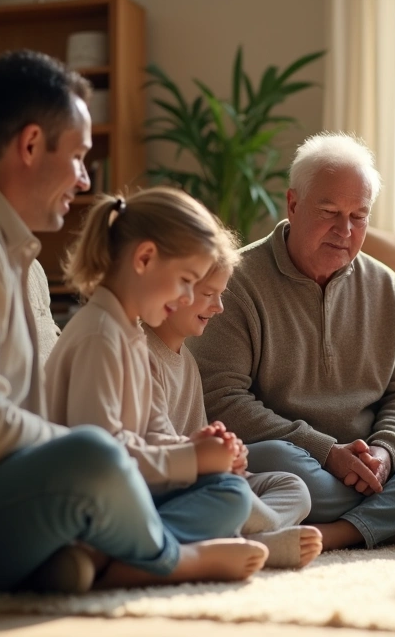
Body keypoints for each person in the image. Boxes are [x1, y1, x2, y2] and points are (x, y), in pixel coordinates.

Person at [0, 50, 261, 598]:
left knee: (212, 485)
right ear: (30, 145)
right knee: (97, 456)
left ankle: (91, 557)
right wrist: (101, 455)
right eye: (79, 156)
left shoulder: (0, 248)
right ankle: (168, 558)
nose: (85, 179)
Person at [189, 132, 395, 552]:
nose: (345, 230)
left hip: (371, 467)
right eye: (329, 212)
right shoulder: (236, 282)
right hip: (297, 461)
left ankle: (344, 531)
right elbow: (222, 398)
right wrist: (326, 452)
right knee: (276, 462)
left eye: (359, 216)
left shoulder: (388, 288)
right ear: (293, 204)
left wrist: (385, 452)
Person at [45, 188, 269, 568]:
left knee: (230, 491)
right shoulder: (100, 336)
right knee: (227, 497)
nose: (185, 298)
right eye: (186, 281)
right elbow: (100, 460)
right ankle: (148, 560)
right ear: (145, 258)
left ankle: (119, 554)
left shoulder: (130, 334)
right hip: (90, 501)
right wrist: (191, 459)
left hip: (126, 492)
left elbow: (151, 433)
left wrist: (197, 448)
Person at [144, 234, 322, 568]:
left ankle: (247, 536)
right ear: (176, 289)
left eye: (221, 295)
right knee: (233, 496)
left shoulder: (187, 361)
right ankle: (255, 540)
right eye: (208, 294)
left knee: (293, 486)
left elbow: (197, 434)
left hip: (203, 479)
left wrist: (230, 459)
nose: (219, 307)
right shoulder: (142, 355)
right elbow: (158, 453)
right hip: (169, 484)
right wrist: (211, 460)